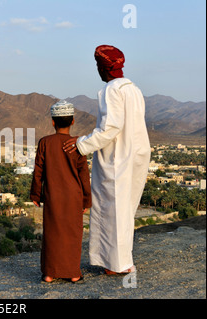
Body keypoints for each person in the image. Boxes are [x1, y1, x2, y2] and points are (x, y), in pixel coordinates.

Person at [63, 45, 151, 275]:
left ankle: (117, 265)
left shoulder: (111, 90)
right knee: (126, 208)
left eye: (98, 66)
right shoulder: (134, 89)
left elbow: (110, 128)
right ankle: (121, 261)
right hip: (137, 153)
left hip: (118, 157)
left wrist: (81, 144)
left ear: (103, 68)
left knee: (112, 209)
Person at [30, 100, 92, 283]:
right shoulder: (77, 145)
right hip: (74, 197)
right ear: (72, 121)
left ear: (52, 122)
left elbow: (38, 171)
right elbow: (84, 175)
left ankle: (50, 273)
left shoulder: (45, 143)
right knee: (72, 233)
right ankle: (73, 273)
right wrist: (86, 200)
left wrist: (36, 194)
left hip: (52, 196)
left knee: (52, 233)